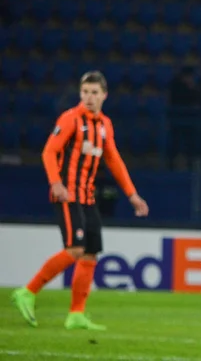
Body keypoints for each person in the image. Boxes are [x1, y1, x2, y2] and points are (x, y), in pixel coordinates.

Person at [11, 71, 149, 330]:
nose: (89, 97)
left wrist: (132, 195)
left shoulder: (105, 125)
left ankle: (76, 314)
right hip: (67, 195)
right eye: (85, 92)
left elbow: (114, 160)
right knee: (75, 249)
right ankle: (27, 292)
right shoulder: (70, 118)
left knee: (90, 254)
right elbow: (49, 151)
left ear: (104, 96)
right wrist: (55, 182)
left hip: (87, 196)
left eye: (94, 93)